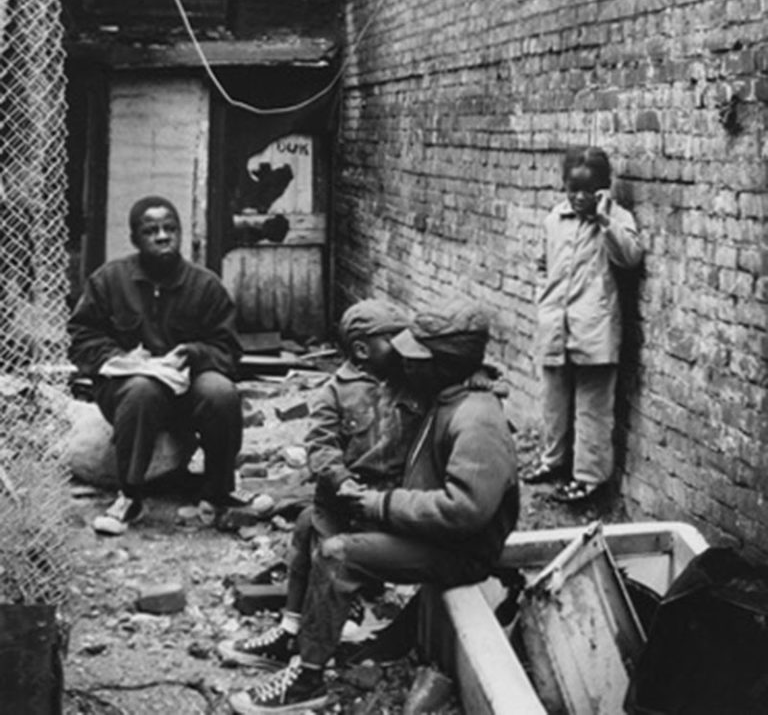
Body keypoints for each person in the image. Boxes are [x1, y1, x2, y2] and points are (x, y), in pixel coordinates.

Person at [228, 297, 519, 715]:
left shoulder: (477, 418)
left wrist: (380, 504)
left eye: (418, 357)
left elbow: (465, 512)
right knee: (313, 521)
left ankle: (307, 680)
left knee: (338, 557)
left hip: (461, 549)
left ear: (443, 364)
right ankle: (296, 632)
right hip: (434, 530)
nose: (407, 363)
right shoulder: (444, 389)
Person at [217, 297, 423, 669]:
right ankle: (292, 629)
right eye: (394, 338)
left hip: (394, 502)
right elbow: (321, 445)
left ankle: (314, 640)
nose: (405, 345)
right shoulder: (334, 392)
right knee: (308, 529)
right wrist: (341, 480)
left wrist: (479, 375)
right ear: (362, 349)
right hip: (348, 500)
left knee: (330, 551)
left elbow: (455, 366)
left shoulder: (412, 381)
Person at [68, 196, 244, 535]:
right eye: (151, 230)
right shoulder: (108, 281)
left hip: (185, 390)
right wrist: (118, 357)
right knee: (142, 389)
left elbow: (228, 350)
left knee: (221, 392)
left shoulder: (205, 285)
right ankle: (131, 497)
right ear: (135, 239)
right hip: (128, 392)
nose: (163, 236)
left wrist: (192, 353)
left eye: (170, 229)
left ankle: (218, 493)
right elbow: (80, 337)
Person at [523, 146, 643, 504]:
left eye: (587, 191)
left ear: (603, 188)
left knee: (593, 409)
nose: (578, 197)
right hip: (555, 326)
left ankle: (589, 480)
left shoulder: (616, 218)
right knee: (554, 402)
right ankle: (553, 461)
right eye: (571, 189)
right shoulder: (553, 220)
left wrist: (604, 219)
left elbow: (630, 257)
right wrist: (545, 300)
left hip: (595, 329)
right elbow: (542, 263)